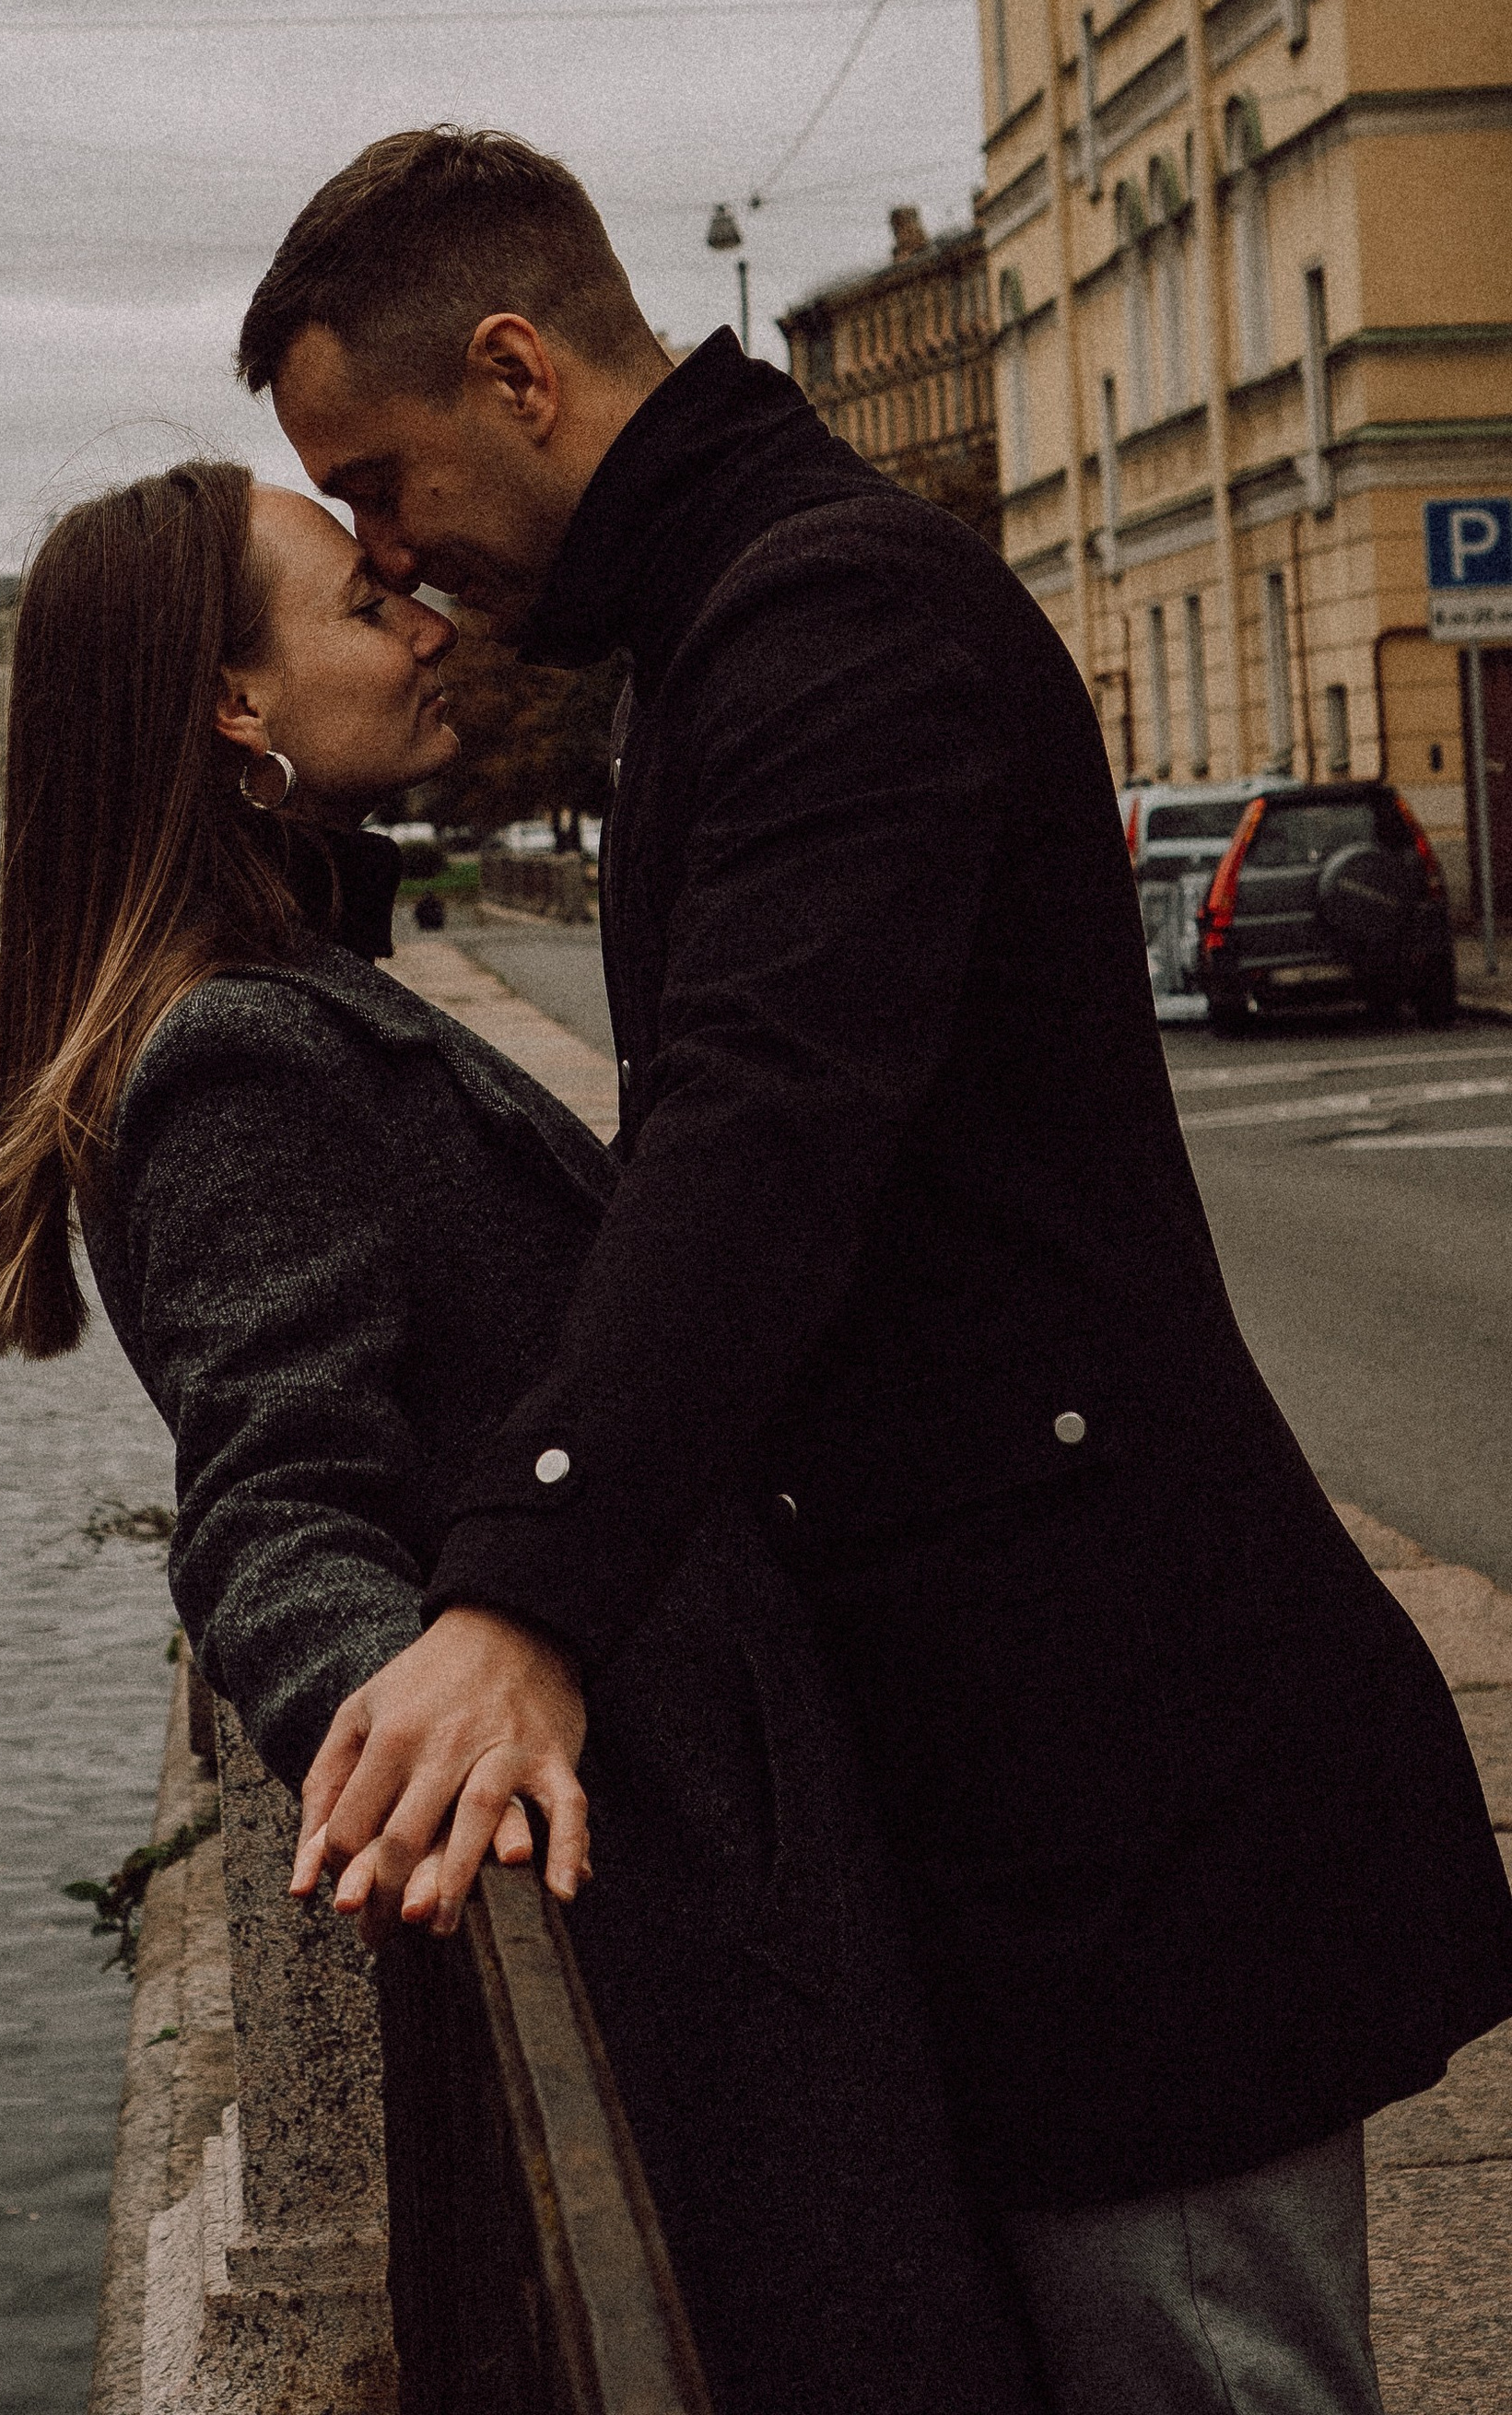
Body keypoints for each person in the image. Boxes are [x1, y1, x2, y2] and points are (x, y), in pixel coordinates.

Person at [234, 125, 1512, 2415]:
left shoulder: (826, 610)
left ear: (514, 366)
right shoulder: (730, 614)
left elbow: (763, 1130)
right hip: (1025, 1782)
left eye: (379, 475)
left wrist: (517, 1598)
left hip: (1122, 1785)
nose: (388, 551)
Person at [0, 458, 1041, 2415]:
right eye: (367, 606)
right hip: (680, 1909)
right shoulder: (238, 1058)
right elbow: (270, 1504)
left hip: (709, 1861)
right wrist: (406, 1715)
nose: (427, 620)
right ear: (233, 706)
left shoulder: (294, 994)